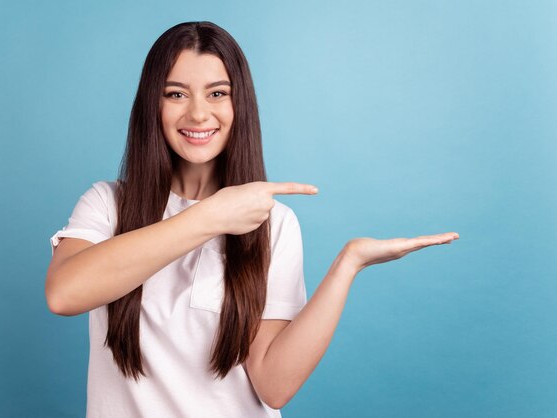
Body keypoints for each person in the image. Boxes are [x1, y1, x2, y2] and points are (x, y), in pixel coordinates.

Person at [46, 21, 459, 418]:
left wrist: (347, 264)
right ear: (151, 105)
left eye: (217, 93)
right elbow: (64, 294)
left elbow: (273, 386)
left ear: (238, 103)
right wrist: (210, 217)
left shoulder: (274, 223)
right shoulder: (107, 203)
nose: (197, 113)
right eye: (175, 94)